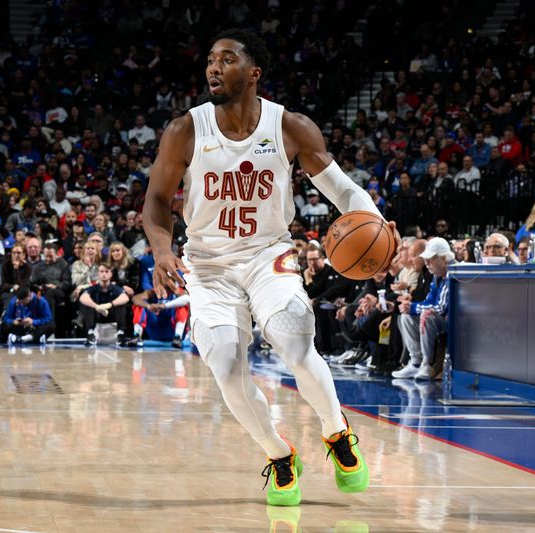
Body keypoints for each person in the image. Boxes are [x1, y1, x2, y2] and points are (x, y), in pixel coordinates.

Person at [142, 29, 397, 506]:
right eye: (211, 60)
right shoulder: (186, 130)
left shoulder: (290, 127)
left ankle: (336, 431)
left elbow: (342, 191)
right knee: (224, 364)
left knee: (295, 344)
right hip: (208, 263)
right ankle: (280, 456)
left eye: (227, 59)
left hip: (269, 256)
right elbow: (156, 201)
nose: (213, 68)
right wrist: (161, 250)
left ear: (253, 72)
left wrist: (376, 222)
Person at [392, 237, 452, 381]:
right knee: (406, 315)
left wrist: (413, 307)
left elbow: (441, 308)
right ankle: (416, 362)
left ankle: (426, 363)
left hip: (455, 320)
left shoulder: (451, 273)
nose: (426, 263)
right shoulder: (437, 276)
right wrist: (410, 308)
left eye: (430, 259)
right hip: (443, 318)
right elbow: (429, 301)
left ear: (444, 259)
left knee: (427, 315)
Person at [78, 262, 131, 347]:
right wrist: (97, 306)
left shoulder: (116, 288)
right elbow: (82, 298)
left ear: (111, 274)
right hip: (97, 315)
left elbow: (125, 297)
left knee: (121, 304)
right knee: (86, 304)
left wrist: (110, 304)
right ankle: (90, 333)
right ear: (98, 274)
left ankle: (121, 333)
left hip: (111, 314)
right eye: (101, 271)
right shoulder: (92, 288)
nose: (104, 274)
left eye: (106, 272)